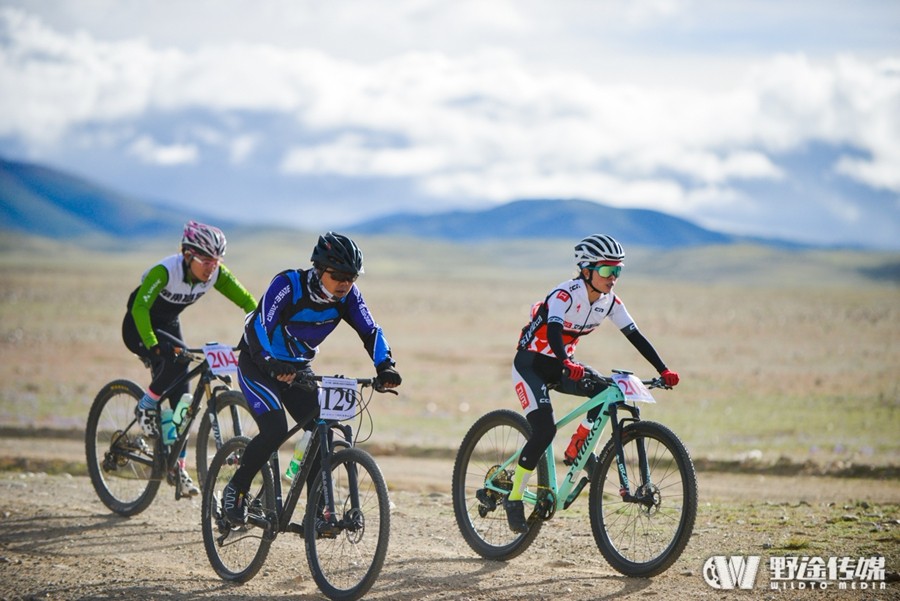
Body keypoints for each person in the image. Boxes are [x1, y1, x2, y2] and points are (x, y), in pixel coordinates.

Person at [221, 232, 401, 524]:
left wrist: (385, 366)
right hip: (258, 363)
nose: (345, 283)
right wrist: (270, 362)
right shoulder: (289, 285)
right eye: (339, 275)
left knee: (321, 433)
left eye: (352, 277)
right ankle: (236, 488)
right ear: (319, 270)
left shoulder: (348, 297)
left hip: (297, 370)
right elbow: (259, 326)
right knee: (275, 429)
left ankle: (316, 514)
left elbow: (371, 331)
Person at [505, 233, 680, 532]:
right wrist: (566, 362)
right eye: (607, 271)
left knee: (605, 391)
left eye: (618, 271)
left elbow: (635, 336)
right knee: (544, 429)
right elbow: (556, 330)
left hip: (563, 366)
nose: (613, 278)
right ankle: (515, 496)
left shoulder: (610, 301)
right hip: (531, 365)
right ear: (586, 270)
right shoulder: (565, 294)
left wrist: (663, 369)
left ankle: (577, 447)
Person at [123, 220, 257, 497]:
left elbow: (248, 303)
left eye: (216, 261)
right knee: (176, 363)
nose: (212, 268)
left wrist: (258, 335)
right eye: (206, 261)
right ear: (187, 255)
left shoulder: (217, 274)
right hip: (139, 325)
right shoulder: (165, 271)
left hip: (169, 324)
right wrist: (152, 345)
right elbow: (139, 307)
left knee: (184, 400)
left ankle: (177, 467)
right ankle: (146, 406)